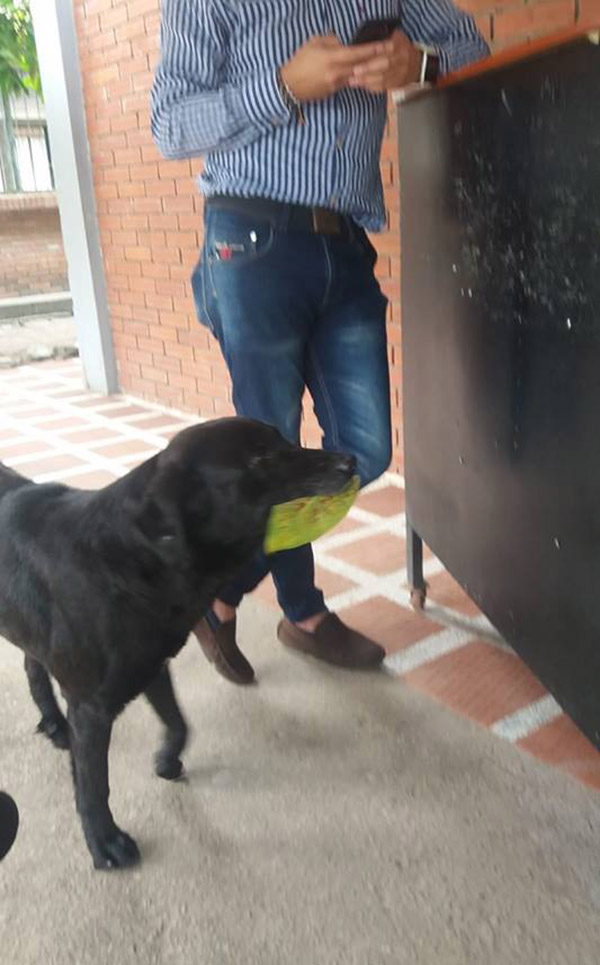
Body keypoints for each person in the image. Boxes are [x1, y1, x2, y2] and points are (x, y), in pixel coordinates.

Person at [151, 1, 489, 685]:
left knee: (363, 449)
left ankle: (216, 588)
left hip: (345, 241)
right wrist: (281, 87)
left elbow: (475, 55)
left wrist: (418, 62)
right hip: (249, 236)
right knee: (270, 451)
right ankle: (303, 612)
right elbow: (169, 124)